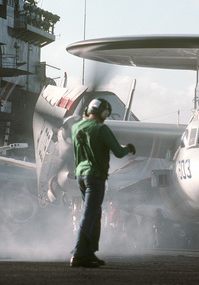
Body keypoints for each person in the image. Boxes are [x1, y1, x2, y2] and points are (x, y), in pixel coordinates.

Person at [69, 97, 136, 268]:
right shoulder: (101, 129)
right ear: (104, 113)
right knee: (90, 213)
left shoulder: (76, 127)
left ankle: (90, 253)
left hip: (81, 175)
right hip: (95, 176)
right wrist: (129, 147)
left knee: (95, 212)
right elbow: (119, 152)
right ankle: (78, 254)